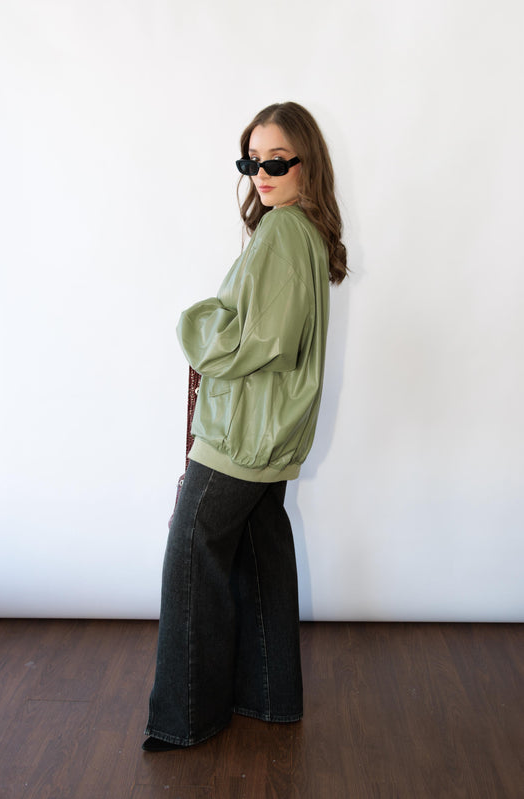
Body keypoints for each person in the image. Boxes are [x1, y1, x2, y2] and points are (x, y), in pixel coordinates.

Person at [143, 101, 348, 751]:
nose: (261, 173)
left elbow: (258, 340)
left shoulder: (282, 231)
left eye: (276, 160)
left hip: (241, 433)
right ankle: (268, 696)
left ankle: (185, 717)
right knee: (261, 557)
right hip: (270, 433)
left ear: (308, 164)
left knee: (191, 555)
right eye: (251, 161)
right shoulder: (305, 232)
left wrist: (196, 322)